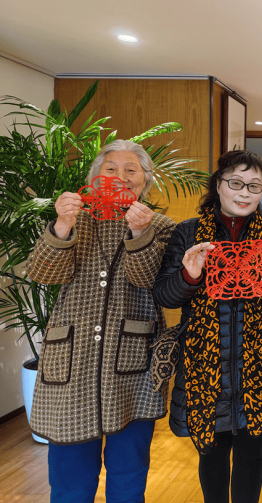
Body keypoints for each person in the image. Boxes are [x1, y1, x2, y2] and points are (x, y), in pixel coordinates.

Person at [26, 140, 176, 503]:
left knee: (129, 473)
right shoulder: (74, 219)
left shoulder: (161, 225)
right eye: (111, 169)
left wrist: (140, 234)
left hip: (132, 365)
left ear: (145, 180)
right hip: (71, 362)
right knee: (69, 478)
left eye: (131, 170)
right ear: (96, 177)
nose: (120, 177)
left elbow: (148, 280)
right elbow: (43, 273)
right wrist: (63, 225)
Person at [152, 150, 262, 503]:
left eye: (254, 186)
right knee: (212, 458)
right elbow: (165, 296)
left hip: (258, 367)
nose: (245, 193)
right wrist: (190, 275)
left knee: (251, 456)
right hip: (205, 367)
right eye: (236, 183)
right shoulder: (188, 233)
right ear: (218, 185)